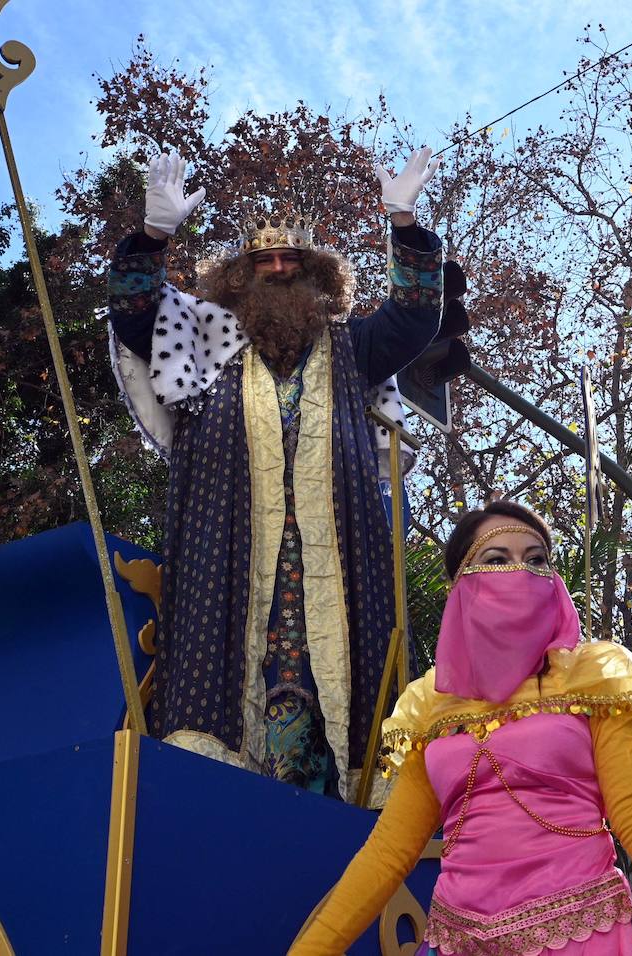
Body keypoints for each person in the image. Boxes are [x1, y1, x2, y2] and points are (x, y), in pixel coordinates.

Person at [106, 147, 444, 800]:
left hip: (340, 561)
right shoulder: (200, 340)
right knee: (217, 700)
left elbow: (414, 317)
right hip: (224, 557)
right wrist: (151, 238)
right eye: (265, 262)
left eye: (293, 261)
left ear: (317, 277)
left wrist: (403, 223)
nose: (280, 269)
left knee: (342, 703)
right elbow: (133, 314)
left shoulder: (352, 345)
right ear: (240, 277)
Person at [290, 501, 632, 954]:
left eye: (537, 560)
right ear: (461, 586)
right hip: (459, 941)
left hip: (581, 935)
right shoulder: (432, 708)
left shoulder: (588, 679)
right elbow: (388, 852)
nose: (522, 571)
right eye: (497, 558)